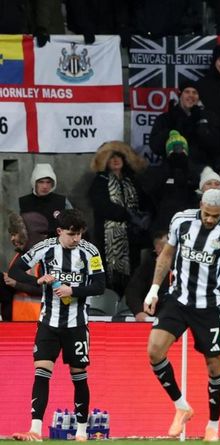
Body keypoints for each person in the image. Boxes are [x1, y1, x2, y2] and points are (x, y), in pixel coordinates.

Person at [143, 189, 220, 442]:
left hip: (209, 307)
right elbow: (167, 255)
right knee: (154, 351)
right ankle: (181, 407)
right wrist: (154, 290)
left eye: (215, 216)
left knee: (214, 366)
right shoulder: (181, 220)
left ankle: (213, 426)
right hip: (177, 300)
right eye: (207, 214)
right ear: (200, 205)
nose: (210, 219)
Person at [10, 209, 106, 442]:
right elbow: (15, 270)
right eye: (71, 234)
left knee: (78, 374)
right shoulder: (45, 248)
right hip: (48, 323)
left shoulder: (90, 251)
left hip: (77, 324)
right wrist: (38, 279)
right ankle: (35, 430)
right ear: (59, 231)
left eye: (79, 234)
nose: (76, 239)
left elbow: (99, 286)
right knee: (41, 372)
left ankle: (81, 432)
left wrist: (72, 290)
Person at [88, 141, 151, 296]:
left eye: (119, 156)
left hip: (132, 237)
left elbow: (144, 201)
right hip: (109, 238)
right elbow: (102, 205)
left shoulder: (132, 180)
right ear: (105, 161)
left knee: (133, 272)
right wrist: (128, 214)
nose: (116, 160)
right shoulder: (100, 180)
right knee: (111, 276)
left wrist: (144, 216)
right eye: (111, 157)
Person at [19, 163, 73, 237]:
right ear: (34, 183)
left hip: (56, 242)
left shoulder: (62, 201)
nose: (45, 186)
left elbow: (73, 224)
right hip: (32, 242)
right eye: (41, 182)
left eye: (48, 182)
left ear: (53, 183)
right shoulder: (24, 202)